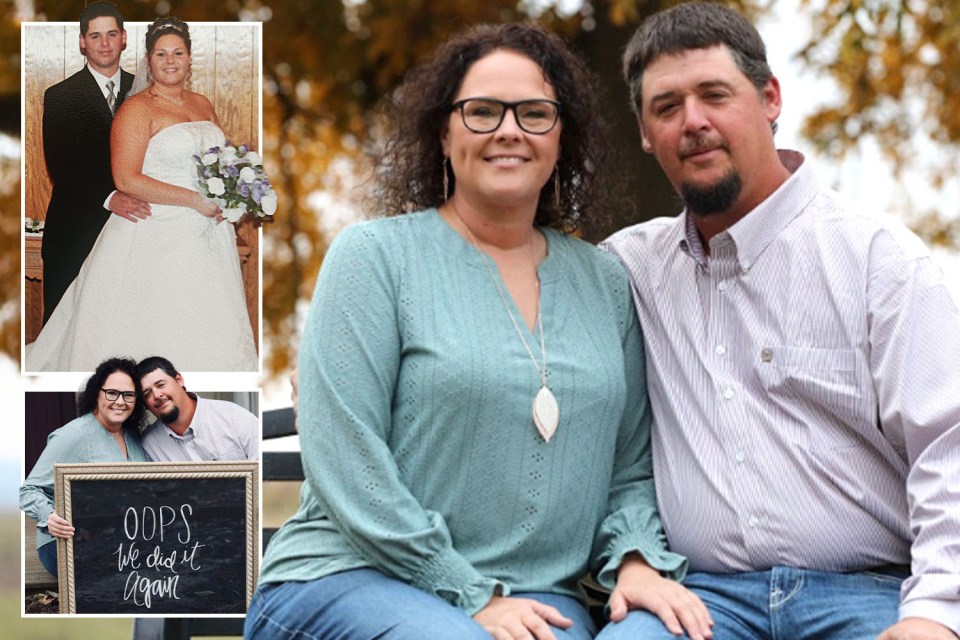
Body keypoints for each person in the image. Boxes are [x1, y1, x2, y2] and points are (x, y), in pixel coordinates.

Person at [245, 22, 712, 640]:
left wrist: (635, 560)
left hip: (540, 598)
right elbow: (346, 463)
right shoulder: (373, 259)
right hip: (351, 578)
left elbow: (628, 470)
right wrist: (466, 592)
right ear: (444, 131)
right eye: (483, 112)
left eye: (535, 113)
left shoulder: (606, 282)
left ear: (561, 136)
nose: (509, 130)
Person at [599, 3, 960, 640]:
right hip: (701, 600)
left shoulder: (879, 259)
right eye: (667, 107)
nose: (694, 122)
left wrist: (934, 613)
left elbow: (947, 448)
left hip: (871, 592)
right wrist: (631, 558)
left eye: (715, 94)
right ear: (645, 134)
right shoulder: (627, 270)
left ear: (770, 98)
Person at [25, 16, 258, 372]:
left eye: (177, 52)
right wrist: (194, 200)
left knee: (206, 315)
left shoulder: (203, 104)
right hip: (157, 229)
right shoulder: (138, 109)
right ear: (148, 60)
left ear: (190, 57)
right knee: (160, 317)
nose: (170, 61)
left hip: (209, 233)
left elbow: (221, 160)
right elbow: (126, 178)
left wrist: (235, 191)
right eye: (160, 54)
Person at [39, 1, 151, 326]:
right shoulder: (61, 96)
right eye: (95, 35)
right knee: (66, 331)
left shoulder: (146, 94)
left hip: (133, 233)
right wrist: (110, 197)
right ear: (81, 41)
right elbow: (60, 163)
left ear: (124, 38)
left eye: (111, 34)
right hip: (74, 235)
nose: (104, 43)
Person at [20, 357, 148, 579]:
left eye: (128, 395)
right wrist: (49, 516)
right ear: (96, 393)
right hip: (66, 542)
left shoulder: (133, 436)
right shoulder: (72, 435)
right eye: (112, 393)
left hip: (118, 539)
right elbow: (27, 491)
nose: (120, 401)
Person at [137, 356, 259, 461]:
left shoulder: (233, 416)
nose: (157, 395)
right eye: (147, 394)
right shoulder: (150, 445)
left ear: (179, 380)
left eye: (161, 385)